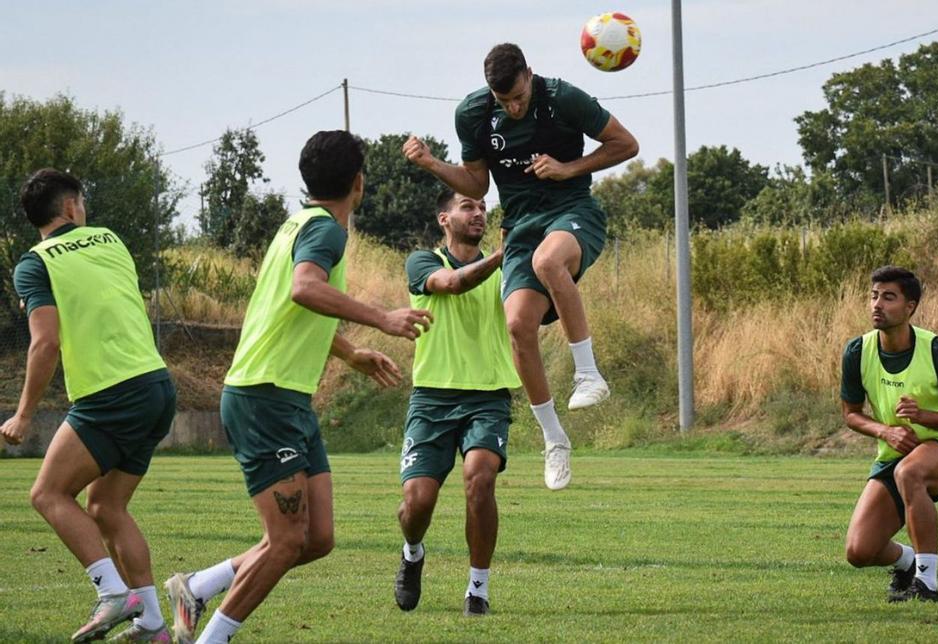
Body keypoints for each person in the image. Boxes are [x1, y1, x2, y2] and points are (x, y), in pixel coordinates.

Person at [165, 131, 432, 644]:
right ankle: (209, 638)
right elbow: (305, 288)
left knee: (316, 538)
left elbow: (294, 308)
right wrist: (381, 318)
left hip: (284, 397)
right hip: (264, 397)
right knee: (286, 541)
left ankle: (196, 588)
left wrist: (350, 352)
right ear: (359, 183)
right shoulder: (326, 231)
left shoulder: (298, 224)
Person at [403, 42, 639, 490]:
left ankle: (588, 373)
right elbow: (476, 182)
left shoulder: (564, 98)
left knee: (549, 261)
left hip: (573, 211)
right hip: (521, 225)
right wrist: (432, 163)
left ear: (530, 75)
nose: (512, 108)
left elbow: (626, 144)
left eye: (518, 97)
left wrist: (570, 168)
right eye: (502, 101)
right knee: (516, 326)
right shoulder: (472, 114)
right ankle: (554, 439)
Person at [1, 168, 176, 642]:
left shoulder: (34, 263)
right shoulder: (111, 240)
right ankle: (155, 624)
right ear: (72, 207)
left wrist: (22, 415)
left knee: (47, 494)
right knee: (106, 505)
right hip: (157, 386)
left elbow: (45, 343)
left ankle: (113, 593)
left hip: (110, 394)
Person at [392, 189, 522, 617]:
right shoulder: (423, 262)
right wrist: (504, 254)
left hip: (488, 395)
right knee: (417, 503)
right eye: (468, 206)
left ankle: (478, 590)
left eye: (483, 207)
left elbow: (535, 304)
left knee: (479, 478)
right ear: (444, 218)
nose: (479, 213)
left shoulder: (506, 271)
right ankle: (412, 553)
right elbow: (454, 283)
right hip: (432, 397)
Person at [841, 266, 938, 602]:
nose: (877, 304)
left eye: (888, 297)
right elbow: (851, 415)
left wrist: (923, 416)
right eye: (873, 296)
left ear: (910, 306)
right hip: (893, 454)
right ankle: (908, 563)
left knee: (910, 471)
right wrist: (885, 431)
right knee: (859, 551)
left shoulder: (937, 350)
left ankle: (927, 583)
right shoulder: (857, 351)